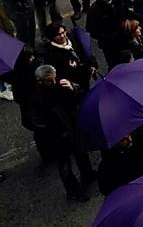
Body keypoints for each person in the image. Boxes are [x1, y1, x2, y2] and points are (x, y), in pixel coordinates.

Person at [27, 65, 95, 201]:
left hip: (72, 128)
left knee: (81, 154)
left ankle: (88, 174)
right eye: (49, 81)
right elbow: (38, 123)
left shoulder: (61, 86)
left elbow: (78, 99)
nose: (53, 83)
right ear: (40, 81)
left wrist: (73, 88)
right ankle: (73, 192)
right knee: (65, 166)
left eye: (54, 79)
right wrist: (53, 133)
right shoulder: (37, 99)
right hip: (58, 137)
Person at [41, 22, 96, 90]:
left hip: (85, 76)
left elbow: (85, 51)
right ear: (52, 37)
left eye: (63, 32)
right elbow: (56, 74)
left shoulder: (73, 38)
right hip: (73, 84)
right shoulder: (50, 54)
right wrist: (71, 68)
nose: (62, 36)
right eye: (58, 35)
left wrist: (92, 64)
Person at [86, 0, 124, 67]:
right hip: (108, 43)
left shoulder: (117, 0)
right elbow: (91, 30)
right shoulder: (94, 10)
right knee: (113, 63)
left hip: (121, 37)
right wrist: (106, 37)